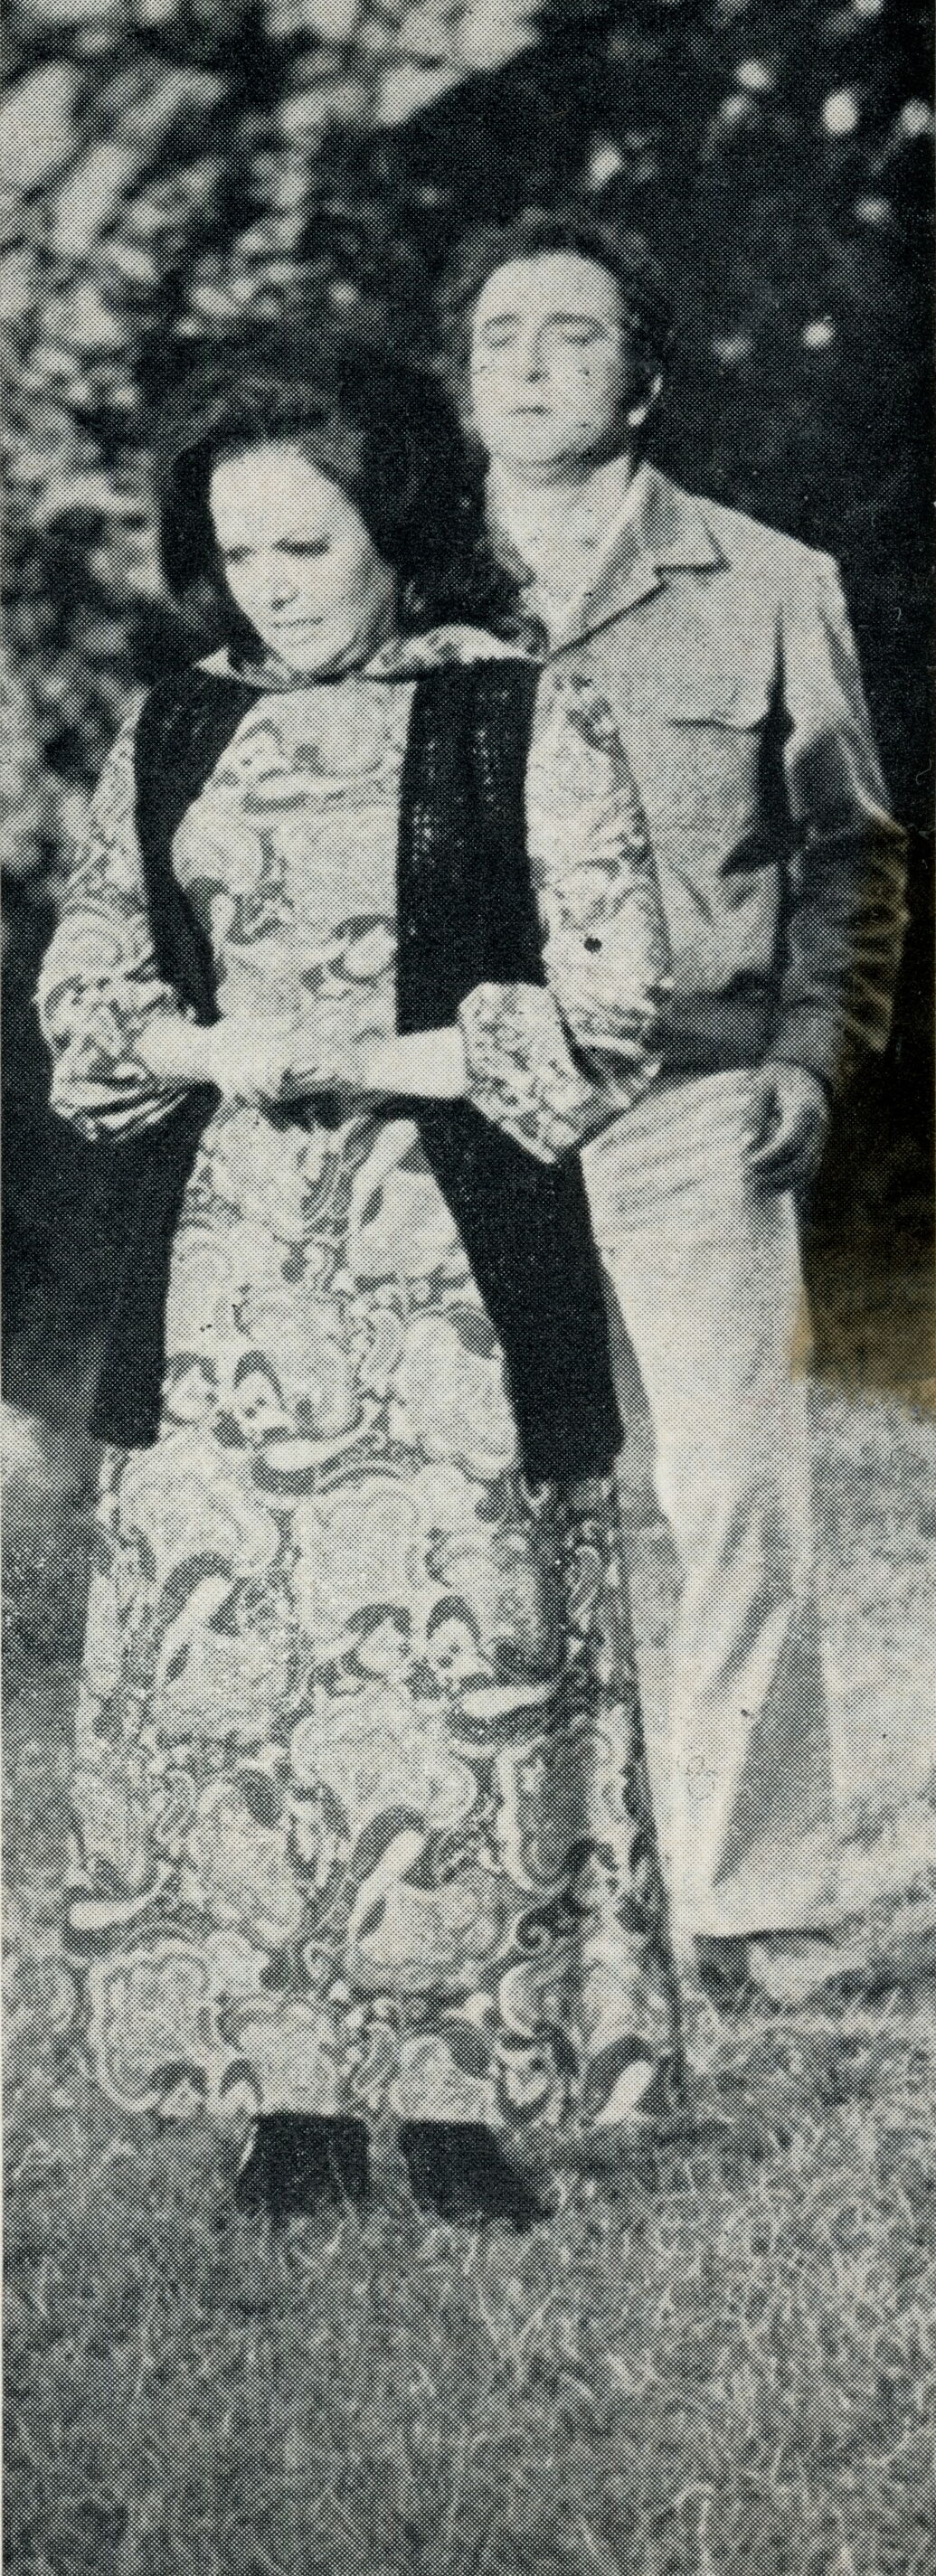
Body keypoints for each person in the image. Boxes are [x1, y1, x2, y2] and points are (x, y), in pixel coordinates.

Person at [37, 335, 684, 2227]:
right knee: (240, 1675)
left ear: (396, 524)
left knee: (464, 1660)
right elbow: (89, 984)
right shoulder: (173, 731)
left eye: (305, 546)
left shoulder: (522, 712)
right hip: (227, 1273)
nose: (271, 587)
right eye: (238, 555)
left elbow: (615, 1003)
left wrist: (375, 1056)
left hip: (447, 1268)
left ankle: (462, 2105)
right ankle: (290, 2107)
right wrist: (210, 1046)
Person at [441, 205, 909, 1983]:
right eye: (498, 337)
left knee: (735, 1506)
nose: (529, 365)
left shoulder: (769, 584)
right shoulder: (397, 590)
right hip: (458, 1114)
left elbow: (847, 855)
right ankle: (493, 1904)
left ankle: (755, 1904)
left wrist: (806, 1052)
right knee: (470, 1502)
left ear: (642, 382)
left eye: (573, 334)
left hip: (697, 1100)